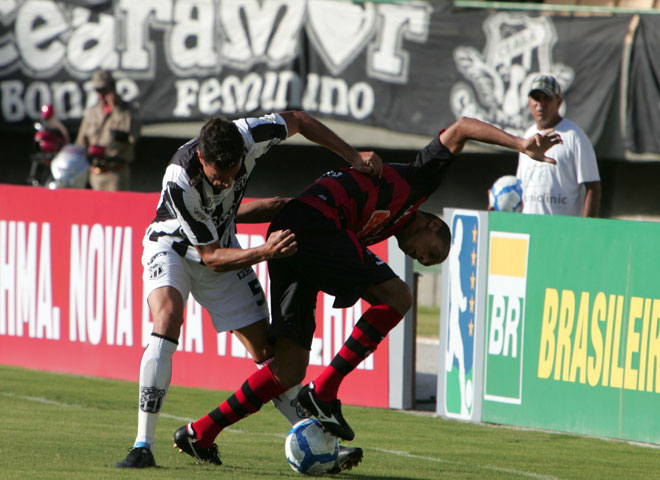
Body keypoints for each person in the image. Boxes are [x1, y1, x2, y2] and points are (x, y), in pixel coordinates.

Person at [174, 116, 562, 463]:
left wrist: (226, 217)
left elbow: (289, 204)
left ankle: (202, 432)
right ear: (431, 227)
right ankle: (323, 391)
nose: (421, 258)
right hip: (311, 226)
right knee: (400, 296)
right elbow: (461, 129)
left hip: (293, 235)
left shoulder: (384, 228)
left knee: (288, 369)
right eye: (431, 254)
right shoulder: (419, 181)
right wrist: (521, 145)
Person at [114, 111, 382, 471]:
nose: (226, 184)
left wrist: (352, 157)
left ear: (242, 152)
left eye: (233, 174)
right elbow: (210, 258)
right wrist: (264, 252)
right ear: (202, 159)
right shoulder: (181, 178)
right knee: (168, 317)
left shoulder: (250, 134)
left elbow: (300, 120)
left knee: (271, 356)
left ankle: (318, 444)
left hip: (221, 245)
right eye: (217, 177)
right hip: (173, 247)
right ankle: (143, 444)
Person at [516, 74, 601, 217]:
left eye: (547, 98)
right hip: (529, 226)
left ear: (559, 102)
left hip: (562, 229)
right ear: (529, 102)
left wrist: (586, 228)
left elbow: (593, 187)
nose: (540, 104)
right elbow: (520, 185)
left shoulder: (575, 136)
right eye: (536, 98)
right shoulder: (527, 136)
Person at [75, 69, 141, 191]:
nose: (100, 95)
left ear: (112, 88)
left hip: (115, 175)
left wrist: (116, 110)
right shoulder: (92, 112)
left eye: (104, 90)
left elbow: (132, 137)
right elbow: (81, 143)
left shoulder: (127, 112)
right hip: (94, 175)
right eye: (97, 91)